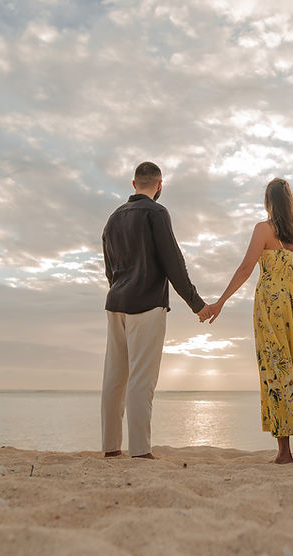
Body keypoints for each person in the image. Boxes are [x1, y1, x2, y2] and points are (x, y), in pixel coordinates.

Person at [202, 178, 293, 463]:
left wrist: (221, 301)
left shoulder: (263, 229)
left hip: (271, 306)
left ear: (268, 202)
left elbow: (245, 268)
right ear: (290, 203)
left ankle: (284, 453)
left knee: (277, 370)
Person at [101, 161, 216, 459]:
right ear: (159, 184)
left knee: (114, 377)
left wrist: (119, 288)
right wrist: (197, 304)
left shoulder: (113, 219)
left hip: (116, 303)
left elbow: (109, 269)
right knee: (141, 379)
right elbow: (173, 263)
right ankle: (140, 450)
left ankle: (111, 448)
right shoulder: (156, 213)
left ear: (133, 183)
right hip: (146, 304)